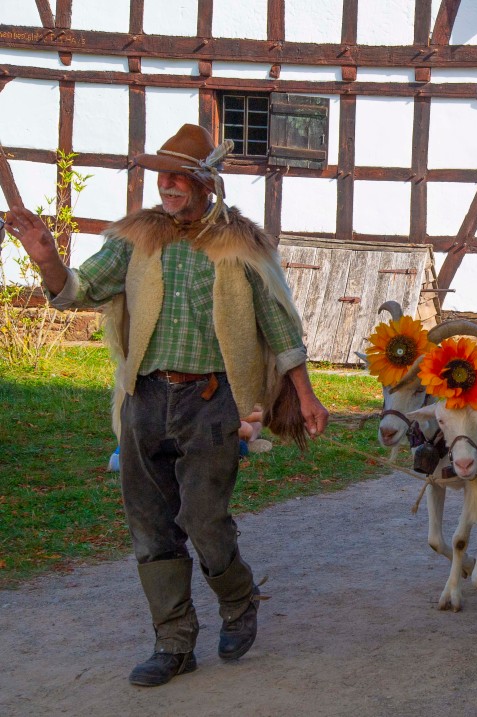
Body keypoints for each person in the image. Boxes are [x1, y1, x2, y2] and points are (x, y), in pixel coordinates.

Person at [4, 124, 329, 687]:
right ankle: (174, 643)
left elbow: (279, 322)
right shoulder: (137, 238)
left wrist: (304, 394)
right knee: (150, 526)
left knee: (203, 520)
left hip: (213, 402)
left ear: (207, 183)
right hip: (146, 399)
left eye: (180, 175)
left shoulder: (240, 243)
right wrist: (47, 256)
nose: (168, 184)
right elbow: (78, 290)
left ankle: (238, 599)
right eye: (163, 174)